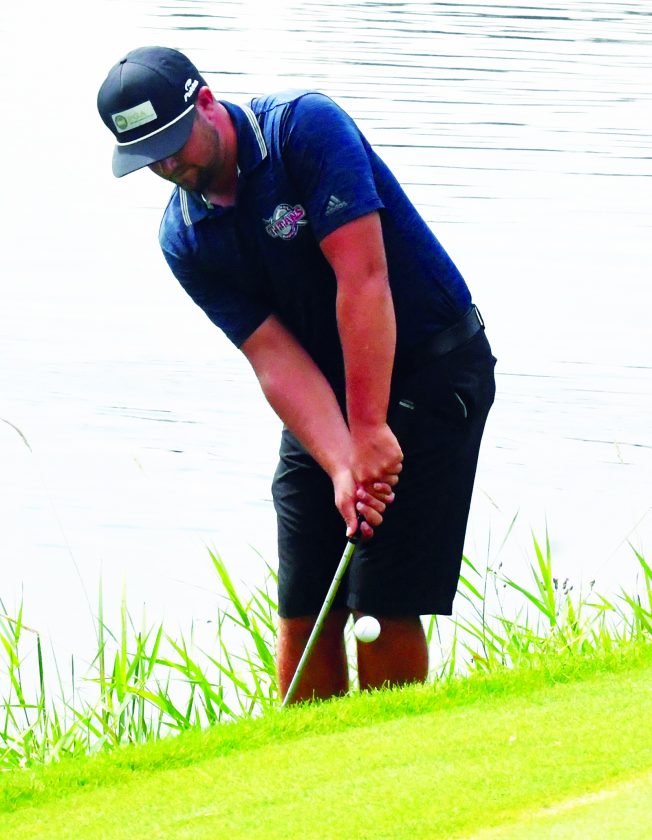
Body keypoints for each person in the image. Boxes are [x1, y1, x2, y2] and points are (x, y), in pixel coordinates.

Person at [97, 46, 496, 704]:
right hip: (327, 388)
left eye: (171, 145)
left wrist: (369, 431)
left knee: (380, 600)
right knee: (306, 601)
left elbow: (363, 280)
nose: (167, 166)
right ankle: (306, 752)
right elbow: (273, 357)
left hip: (432, 367)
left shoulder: (303, 129)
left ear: (205, 104)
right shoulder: (185, 237)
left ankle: (390, 751)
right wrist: (341, 462)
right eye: (149, 158)